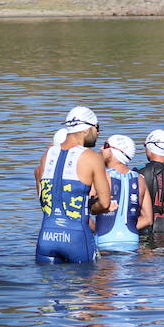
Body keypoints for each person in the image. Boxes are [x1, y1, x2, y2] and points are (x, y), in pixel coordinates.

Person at [34, 106, 113, 263]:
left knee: (50, 285)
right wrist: (87, 207)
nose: (98, 133)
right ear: (86, 129)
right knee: (87, 284)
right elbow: (105, 203)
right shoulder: (92, 158)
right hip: (76, 238)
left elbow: (43, 199)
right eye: (97, 128)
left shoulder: (46, 155)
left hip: (46, 237)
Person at [93, 134, 152, 252]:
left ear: (115, 151)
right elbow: (148, 219)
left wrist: (96, 229)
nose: (101, 149)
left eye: (105, 145)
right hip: (131, 240)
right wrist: (125, 230)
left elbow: (82, 211)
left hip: (105, 241)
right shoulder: (140, 179)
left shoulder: (101, 177)